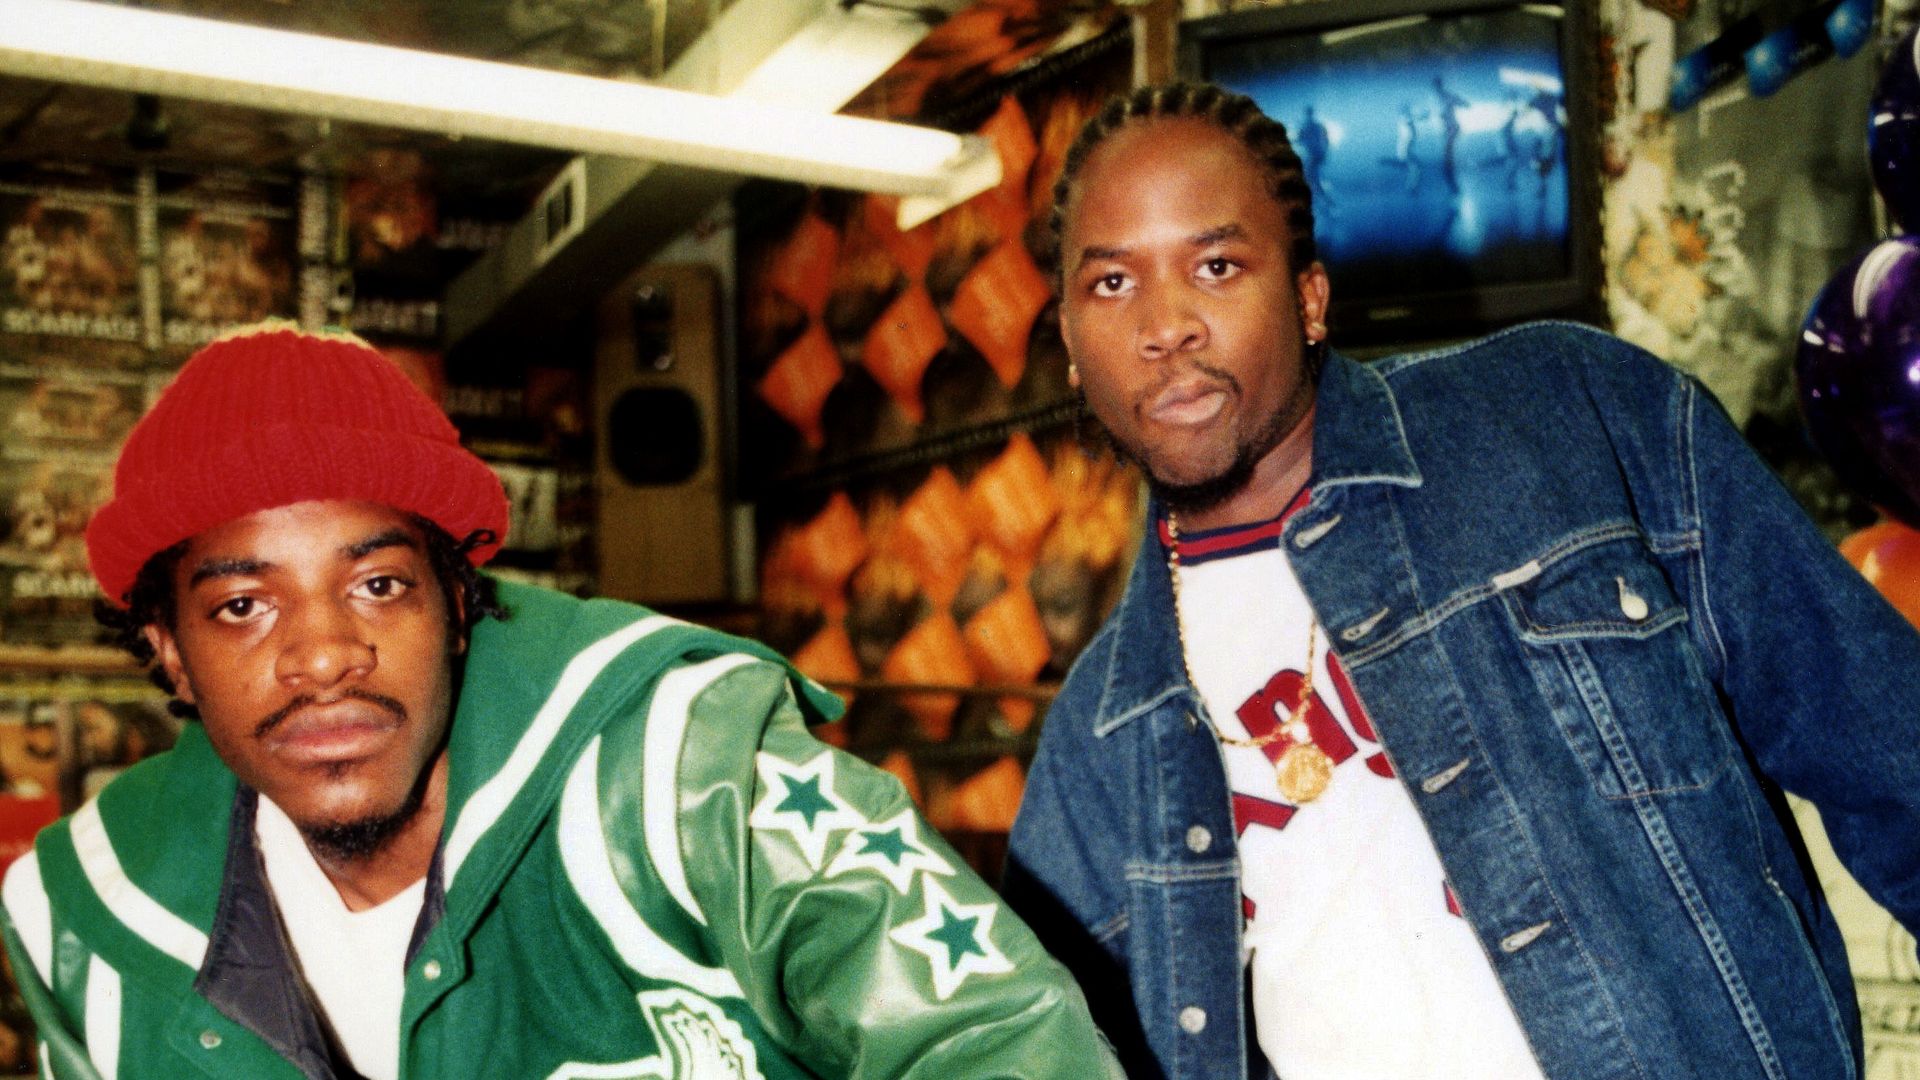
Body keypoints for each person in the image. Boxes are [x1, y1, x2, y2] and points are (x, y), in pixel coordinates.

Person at [1003, 82, 1920, 1080]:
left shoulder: (1565, 417)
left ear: (1309, 299)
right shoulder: (1097, 747)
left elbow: (1890, 749)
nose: (1165, 324)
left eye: (1216, 265)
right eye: (1111, 284)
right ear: (1070, 347)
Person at [0, 321, 1121, 1080]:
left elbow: (997, 1040)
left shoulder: (685, 772)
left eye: (378, 584)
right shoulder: (90, 916)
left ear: (457, 598)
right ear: (170, 652)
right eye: (244, 606)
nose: (324, 655)